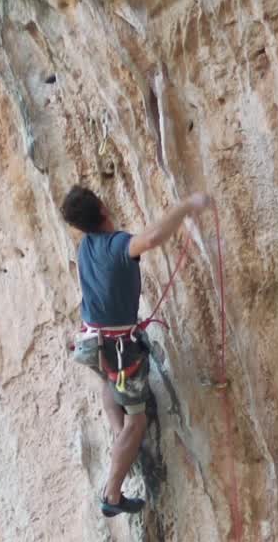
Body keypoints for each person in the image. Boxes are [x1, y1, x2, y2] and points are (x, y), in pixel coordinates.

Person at [60, 185, 211, 517]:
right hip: (119, 351)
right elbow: (153, 236)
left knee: (106, 383)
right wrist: (187, 203)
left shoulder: (85, 247)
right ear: (102, 208)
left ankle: (120, 439)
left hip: (92, 343)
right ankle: (112, 493)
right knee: (137, 420)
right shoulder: (115, 247)